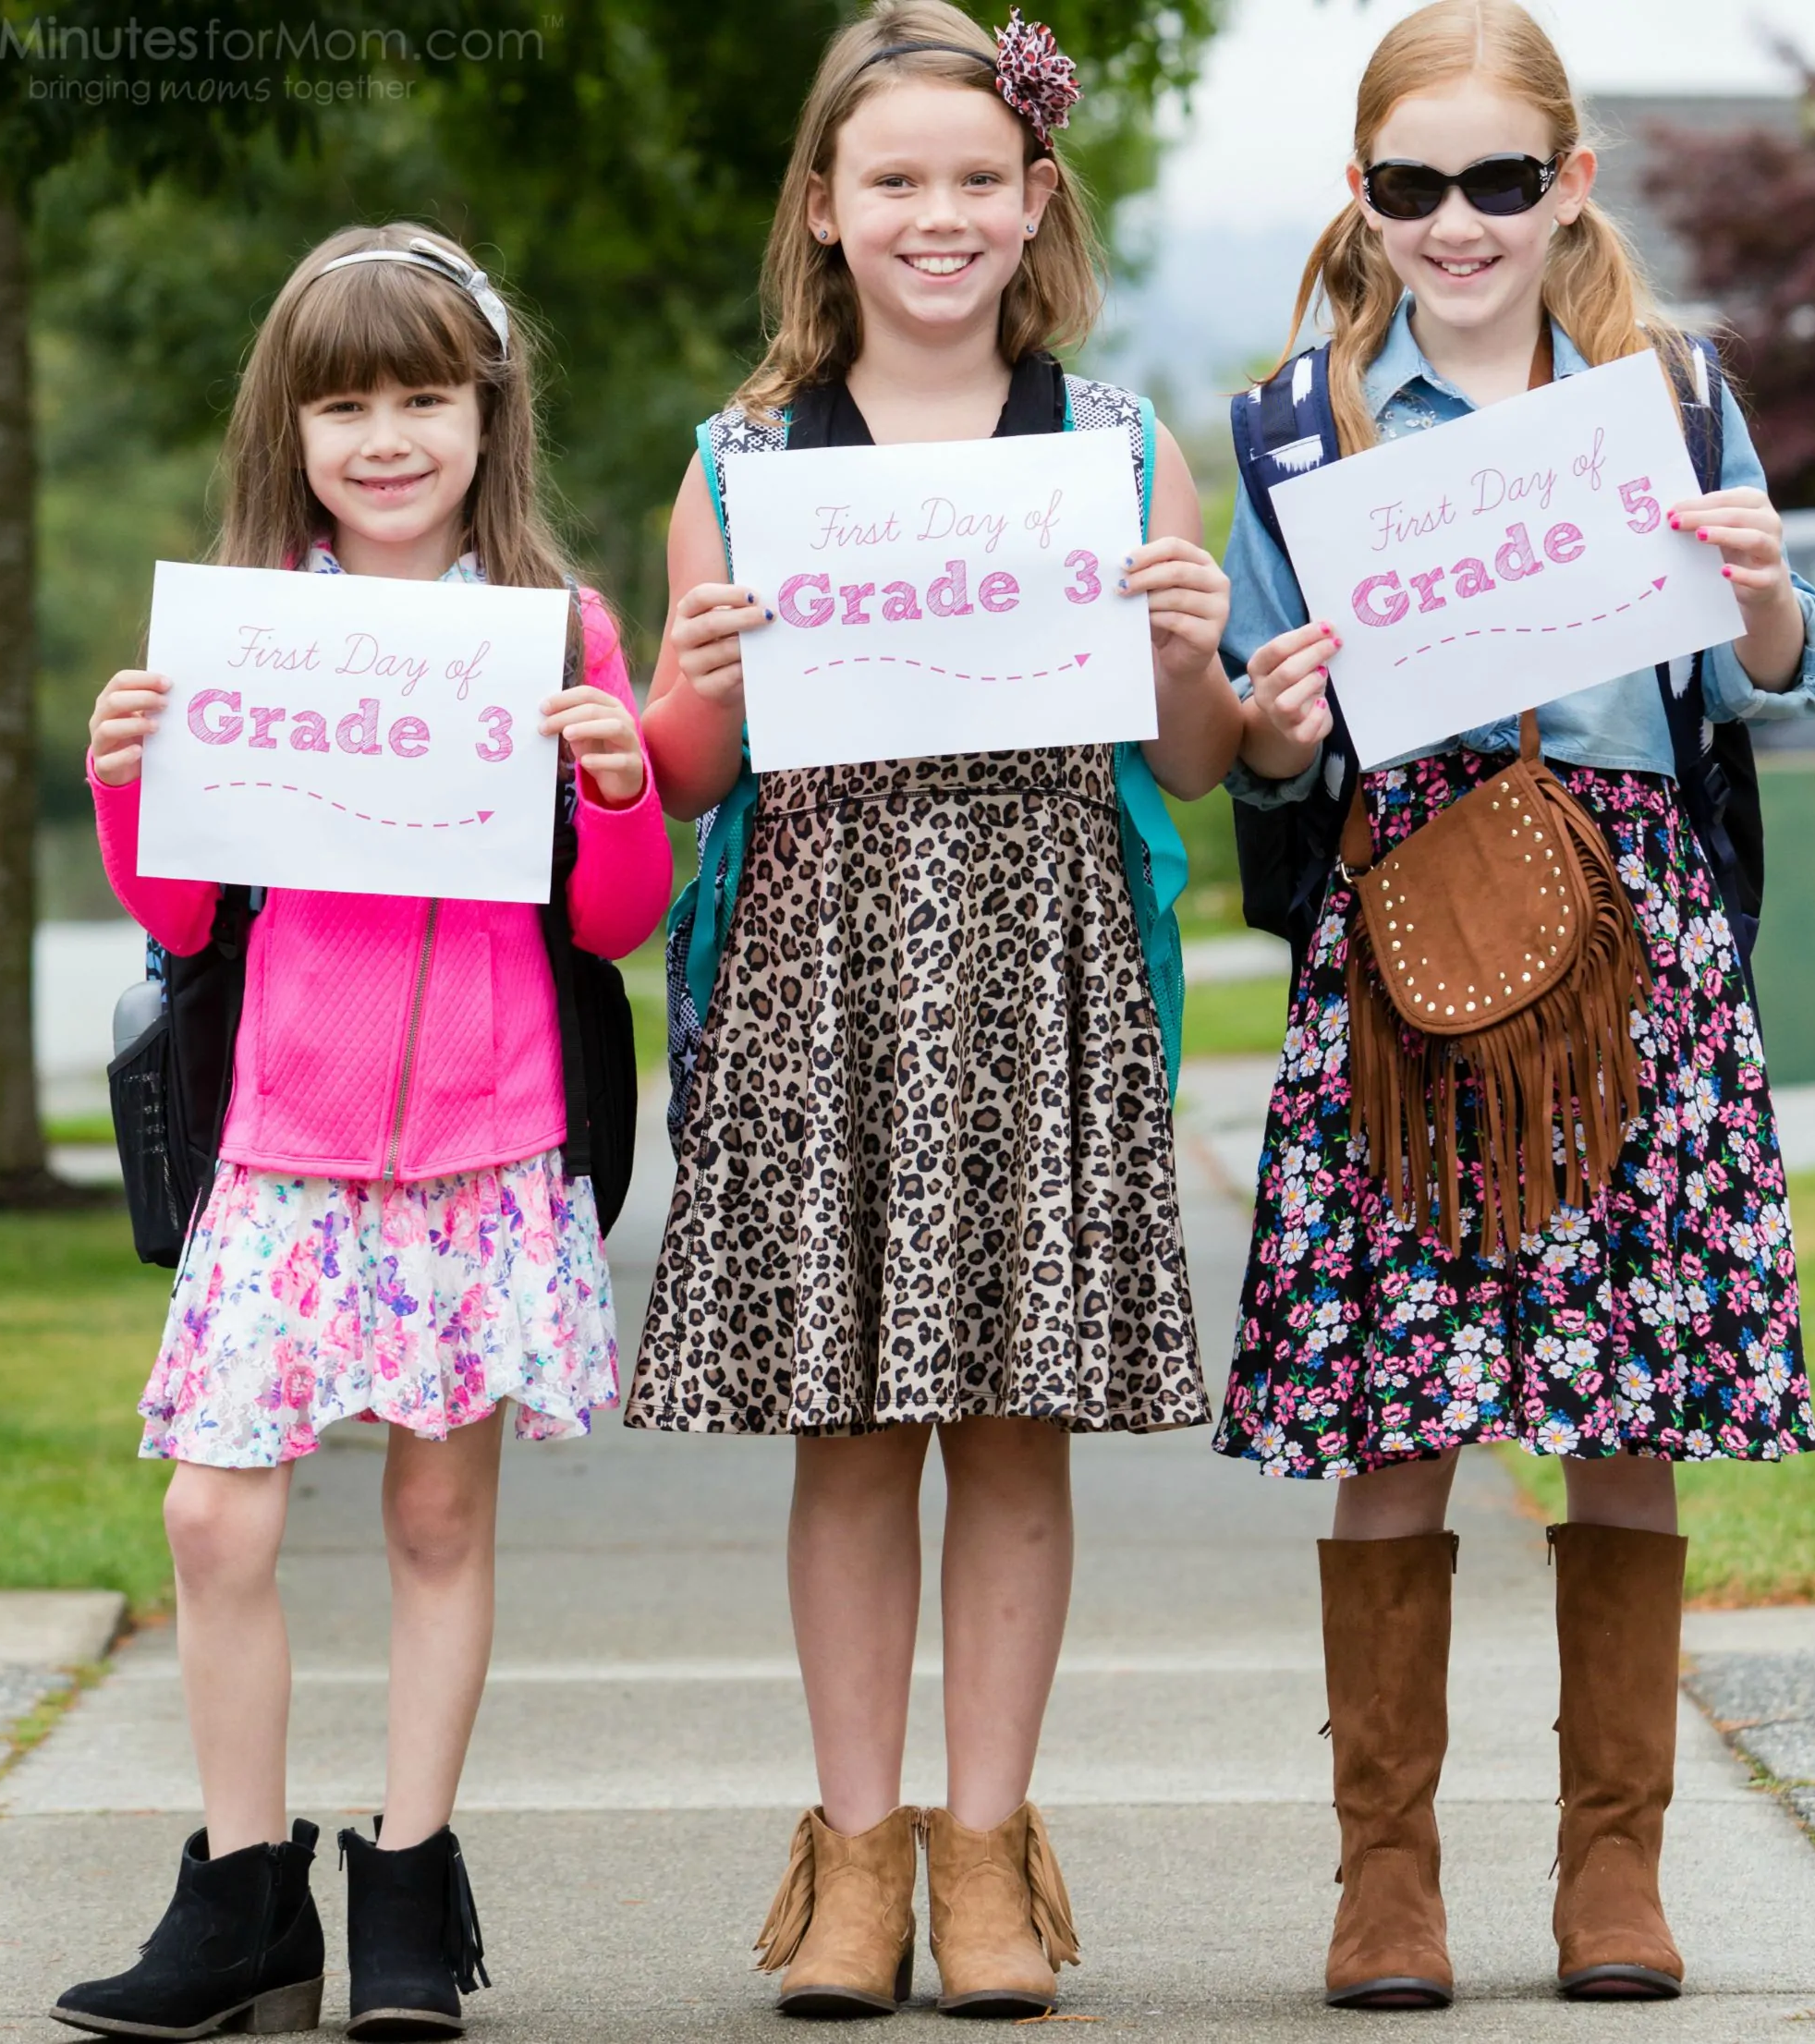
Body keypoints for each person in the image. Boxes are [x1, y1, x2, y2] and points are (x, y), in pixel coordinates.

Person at [1212, 0, 1815, 2013]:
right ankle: (1381, 1882)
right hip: (1399, 922)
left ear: (1565, 183)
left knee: (1621, 1403)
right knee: (1392, 1406)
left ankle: (1609, 1875)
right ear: (1364, 202)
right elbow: (1249, 742)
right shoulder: (1296, 429)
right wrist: (1266, 718)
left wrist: (1749, 583)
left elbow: (1774, 667)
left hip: (1629, 934)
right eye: (1415, 187)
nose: (1458, 221)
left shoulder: (1664, 393)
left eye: (1499, 180)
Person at [627, 2, 1239, 2018]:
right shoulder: (738, 460)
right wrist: (694, 675)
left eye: (975, 180)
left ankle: (987, 1851)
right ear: (822, 207)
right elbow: (686, 775)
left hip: (1042, 953)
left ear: (1034, 198)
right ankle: (852, 1855)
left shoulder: (1114, 444)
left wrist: (1189, 646)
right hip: (821, 976)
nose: (936, 214)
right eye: (892, 179)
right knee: (849, 1424)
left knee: (1013, 1421)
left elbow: (1195, 761)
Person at [55, 225, 672, 2042]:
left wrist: (618, 784)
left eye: (422, 396)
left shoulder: (559, 633)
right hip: (287, 1152)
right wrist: (124, 770)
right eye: (347, 403)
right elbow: (178, 916)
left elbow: (610, 917)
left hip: (484, 1154)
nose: (387, 434)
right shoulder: (247, 625)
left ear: (486, 414)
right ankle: (241, 1893)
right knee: (217, 1517)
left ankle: (405, 1883)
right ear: (293, 426)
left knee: (430, 1516)